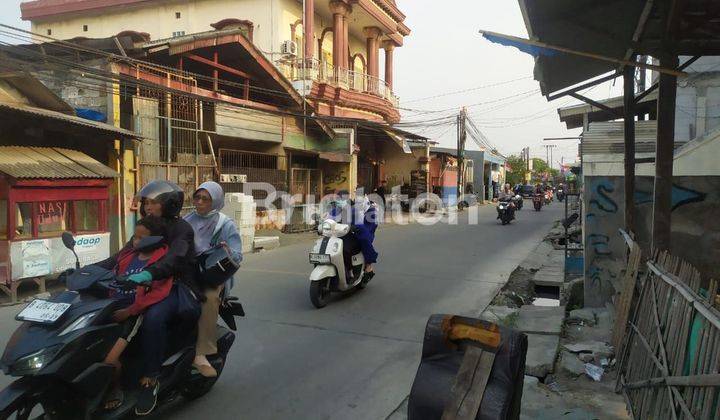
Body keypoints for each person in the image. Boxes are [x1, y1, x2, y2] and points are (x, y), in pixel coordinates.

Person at [127, 180, 198, 416]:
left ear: (170, 205)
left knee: (153, 318)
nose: (148, 207)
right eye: (146, 203)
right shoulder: (148, 227)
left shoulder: (182, 230)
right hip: (148, 284)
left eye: (153, 203)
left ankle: (151, 378)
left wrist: (150, 272)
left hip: (177, 286)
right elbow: (124, 255)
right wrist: (87, 270)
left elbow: (175, 259)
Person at [97, 216, 172, 411]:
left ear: (155, 239)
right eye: (134, 237)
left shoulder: (162, 259)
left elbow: (159, 292)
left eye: (141, 238)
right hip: (111, 305)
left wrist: (129, 311)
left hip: (133, 313)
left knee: (109, 360)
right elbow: (109, 273)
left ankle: (115, 389)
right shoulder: (127, 255)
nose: (135, 241)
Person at [184, 181, 242, 378]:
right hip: (187, 271)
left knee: (208, 299)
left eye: (205, 199)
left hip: (212, 276)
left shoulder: (225, 224)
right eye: (197, 197)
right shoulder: (187, 220)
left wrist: (225, 249)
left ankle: (201, 353)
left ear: (215, 202)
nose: (199, 202)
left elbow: (237, 255)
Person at [330, 189, 379, 278]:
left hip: (363, 233)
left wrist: (355, 227)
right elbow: (331, 218)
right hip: (346, 232)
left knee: (363, 239)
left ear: (365, 196)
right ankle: (346, 268)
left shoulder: (370, 209)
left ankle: (368, 265)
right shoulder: (346, 206)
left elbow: (368, 226)